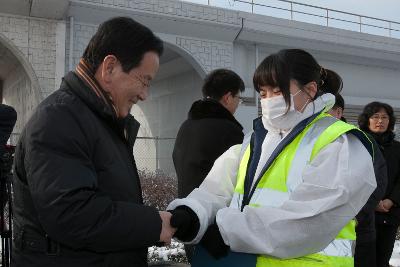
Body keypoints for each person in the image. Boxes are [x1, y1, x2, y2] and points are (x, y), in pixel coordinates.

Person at [168, 49, 377, 267]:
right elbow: (216, 190)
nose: (268, 101)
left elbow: (306, 222)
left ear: (310, 90)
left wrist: (227, 231)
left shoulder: (339, 143)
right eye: (263, 93)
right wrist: (192, 213)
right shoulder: (254, 141)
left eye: (278, 91)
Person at [11, 17, 176, 267]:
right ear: (109, 68)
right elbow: (72, 215)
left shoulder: (99, 121)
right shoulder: (58, 120)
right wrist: (154, 224)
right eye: (144, 80)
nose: (145, 94)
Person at [173, 68, 245, 261]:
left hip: (189, 219)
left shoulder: (186, 126)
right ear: (228, 97)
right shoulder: (229, 131)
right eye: (239, 98)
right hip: (215, 230)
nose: (238, 104)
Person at [358, 102, 400, 267]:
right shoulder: (358, 145)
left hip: (389, 214)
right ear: (367, 120)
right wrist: (372, 202)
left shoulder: (397, 148)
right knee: (361, 259)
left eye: (384, 117)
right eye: (375, 117)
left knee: (382, 259)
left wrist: (392, 200)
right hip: (362, 213)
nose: (380, 121)